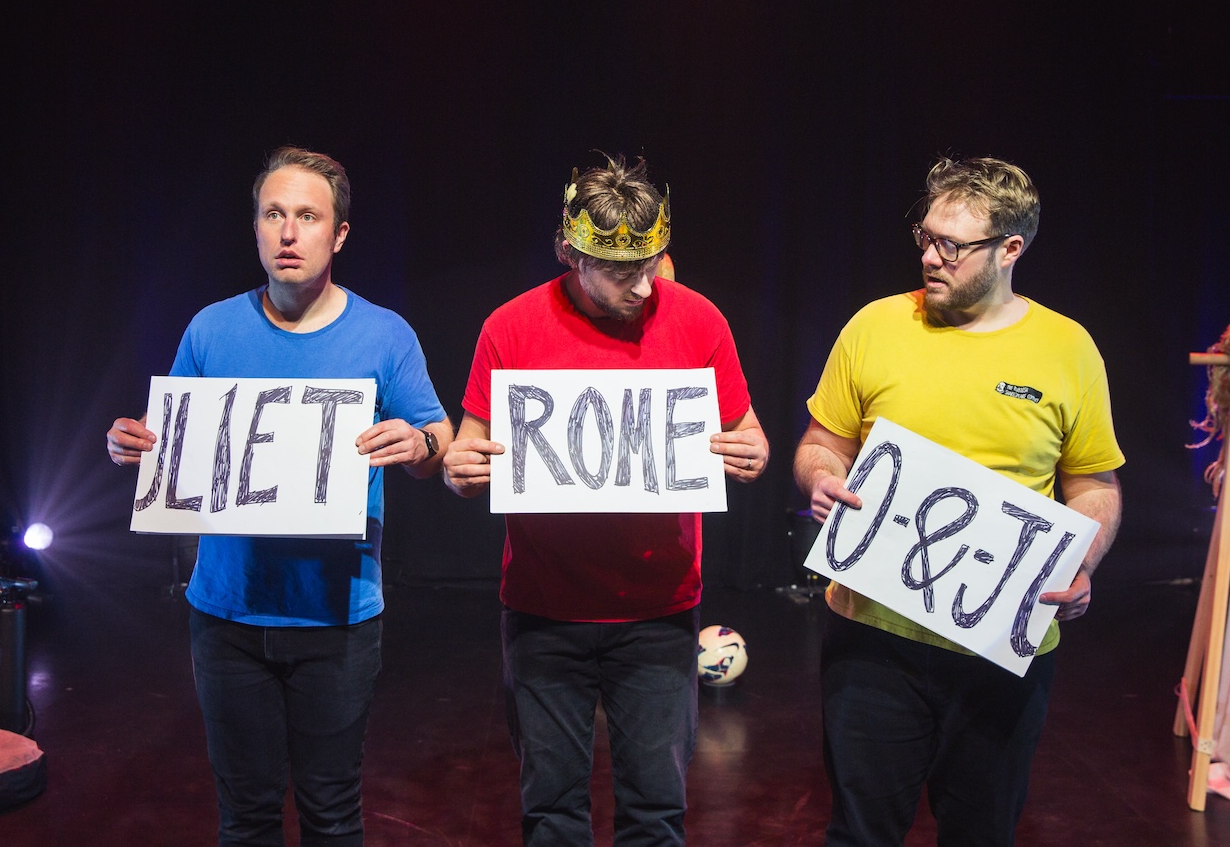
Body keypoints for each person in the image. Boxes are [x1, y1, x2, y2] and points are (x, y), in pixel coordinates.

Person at [105, 146, 452, 847]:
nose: (289, 233)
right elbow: (172, 437)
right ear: (256, 227)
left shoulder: (385, 334)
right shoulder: (211, 328)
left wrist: (420, 446)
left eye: (308, 216)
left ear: (340, 234)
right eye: (273, 214)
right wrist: (132, 443)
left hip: (338, 619)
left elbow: (437, 438)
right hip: (226, 616)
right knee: (246, 818)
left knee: (331, 814)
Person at [793, 156, 1124, 847]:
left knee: (981, 832)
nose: (929, 256)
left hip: (1000, 648)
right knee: (859, 833)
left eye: (951, 245)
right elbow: (821, 443)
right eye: (925, 236)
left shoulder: (1068, 349)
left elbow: (1094, 485)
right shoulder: (876, 325)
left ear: (1010, 248)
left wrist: (1082, 561)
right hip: (872, 639)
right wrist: (820, 476)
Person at [443, 157, 769, 847]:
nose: (644, 285)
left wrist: (751, 453)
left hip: (660, 609)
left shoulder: (699, 319)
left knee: (656, 811)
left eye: (650, 264)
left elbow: (749, 432)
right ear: (571, 254)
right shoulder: (510, 325)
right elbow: (468, 449)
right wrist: (461, 470)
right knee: (551, 811)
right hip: (543, 610)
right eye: (622, 272)